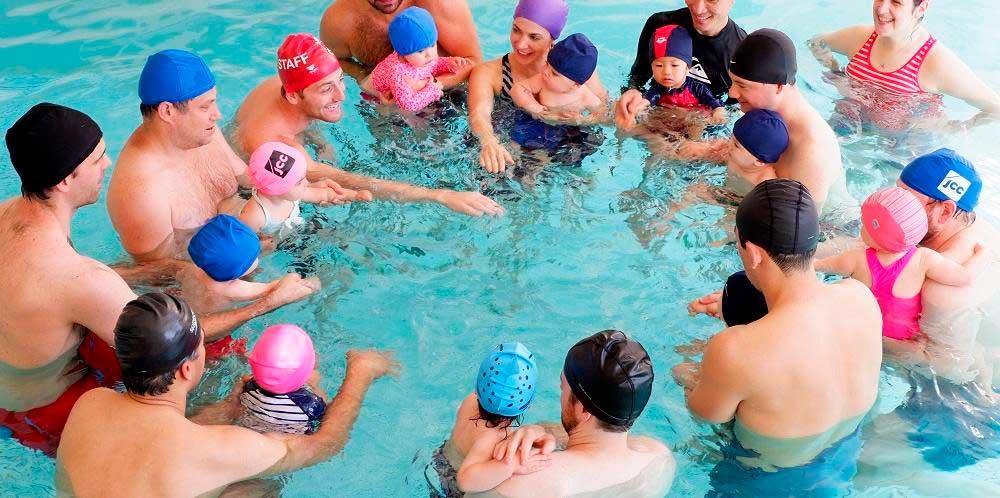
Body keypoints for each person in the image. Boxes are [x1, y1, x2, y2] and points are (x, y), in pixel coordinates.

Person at [55, 292, 398, 497]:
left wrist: (232, 406)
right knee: (257, 490)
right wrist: (361, 372)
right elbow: (324, 445)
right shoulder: (219, 449)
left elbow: (160, 445)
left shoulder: (91, 404)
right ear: (187, 369)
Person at [675, 179, 881, 493]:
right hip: (841, 465)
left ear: (754, 253)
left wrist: (687, 369)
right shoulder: (861, 298)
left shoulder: (736, 350)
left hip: (762, 482)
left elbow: (704, 414)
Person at [234, 34, 503, 217]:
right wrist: (440, 196)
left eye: (340, 80)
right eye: (327, 88)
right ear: (294, 95)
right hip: (253, 189)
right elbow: (352, 180)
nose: (341, 95)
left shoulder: (282, 87)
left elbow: (300, 113)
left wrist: (321, 141)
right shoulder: (273, 145)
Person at [0, 103, 136, 455]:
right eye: (97, 159)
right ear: (64, 180)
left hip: (16, 388)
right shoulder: (78, 278)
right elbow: (169, 350)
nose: (107, 164)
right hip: (48, 415)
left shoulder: (6, 214)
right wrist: (265, 302)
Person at [466, 331, 675, 498]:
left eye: (562, 387)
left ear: (583, 410)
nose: (560, 395)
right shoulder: (658, 459)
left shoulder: (523, 482)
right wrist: (540, 430)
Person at [683, 29, 850, 215]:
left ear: (778, 86)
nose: (732, 93)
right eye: (732, 82)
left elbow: (796, 230)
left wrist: (717, 197)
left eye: (742, 85)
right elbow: (741, 155)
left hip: (831, 232)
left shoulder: (811, 150)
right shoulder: (761, 114)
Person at [816, 187, 984, 341]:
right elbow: (964, 277)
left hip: (863, 329)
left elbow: (817, 265)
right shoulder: (923, 259)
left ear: (871, 231)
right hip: (902, 340)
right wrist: (981, 255)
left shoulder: (856, 259)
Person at [809, 0, 1000, 130]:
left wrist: (956, 129)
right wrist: (836, 72)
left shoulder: (936, 62)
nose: (881, 9)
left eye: (896, 2)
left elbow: (995, 107)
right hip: (846, 127)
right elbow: (816, 42)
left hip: (899, 150)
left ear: (921, 7)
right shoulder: (860, 38)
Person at [467, 0, 610, 173]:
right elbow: (479, 114)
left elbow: (605, 114)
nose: (520, 44)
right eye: (516, 30)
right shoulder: (488, 73)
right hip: (515, 140)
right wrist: (489, 141)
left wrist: (579, 120)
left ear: (552, 38)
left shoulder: (576, 69)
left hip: (566, 142)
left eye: (534, 37)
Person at [616, 0, 746, 129]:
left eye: (712, 0)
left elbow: (733, 115)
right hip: (656, 113)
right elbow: (638, 76)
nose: (698, 10)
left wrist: (694, 118)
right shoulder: (662, 27)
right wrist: (632, 92)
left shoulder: (742, 52)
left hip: (701, 128)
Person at [435, 342, 538, 495]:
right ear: (528, 405)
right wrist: (510, 466)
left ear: (478, 388)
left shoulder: (469, 401)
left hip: (439, 460)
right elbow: (465, 480)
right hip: (453, 484)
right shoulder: (494, 438)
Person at [319, 0, 482, 83]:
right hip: (383, 104)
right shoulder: (340, 20)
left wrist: (428, 86)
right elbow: (333, 60)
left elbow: (474, 62)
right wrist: (365, 78)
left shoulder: (439, 3)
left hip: (448, 96)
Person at [618, 24, 726, 134]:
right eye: (659, 66)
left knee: (696, 127)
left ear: (688, 68)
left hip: (693, 121)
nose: (666, 72)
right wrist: (633, 112)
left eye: (674, 66)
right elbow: (645, 102)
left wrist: (719, 111)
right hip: (668, 122)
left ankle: (692, 145)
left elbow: (715, 104)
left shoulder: (697, 88)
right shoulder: (657, 90)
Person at [509, 33, 606, 152]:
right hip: (536, 121)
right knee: (516, 143)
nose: (545, 71)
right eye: (547, 64)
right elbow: (517, 89)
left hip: (566, 129)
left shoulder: (585, 97)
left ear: (575, 85)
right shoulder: (542, 81)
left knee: (590, 142)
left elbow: (602, 116)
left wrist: (581, 120)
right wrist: (534, 108)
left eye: (554, 74)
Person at [369, 6, 474, 112]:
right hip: (375, 101)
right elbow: (409, 105)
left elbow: (434, 65)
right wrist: (432, 91)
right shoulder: (398, 74)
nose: (429, 54)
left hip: (408, 93)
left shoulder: (421, 59)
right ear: (403, 53)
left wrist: (450, 64)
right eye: (420, 51)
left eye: (433, 45)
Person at [240, 142, 348, 240]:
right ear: (277, 189)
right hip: (279, 243)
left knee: (336, 232)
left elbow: (319, 195)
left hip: (296, 226)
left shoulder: (291, 194)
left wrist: (352, 195)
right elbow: (246, 244)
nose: (307, 183)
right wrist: (265, 244)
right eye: (300, 182)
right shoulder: (254, 216)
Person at [239, 324, 326, 435]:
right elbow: (326, 419)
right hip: (292, 441)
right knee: (315, 378)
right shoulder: (309, 404)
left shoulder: (248, 388)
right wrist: (316, 387)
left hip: (254, 434)